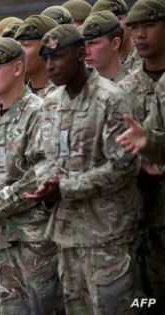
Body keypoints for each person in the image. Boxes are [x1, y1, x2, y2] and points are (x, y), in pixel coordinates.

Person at [25, 24, 139, 314]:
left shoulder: (111, 99)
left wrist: (65, 187)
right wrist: (45, 183)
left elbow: (122, 168)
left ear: (80, 53)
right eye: (46, 58)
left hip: (106, 237)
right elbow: (42, 157)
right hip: (67, 236)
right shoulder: (51, 105)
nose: (50, 66)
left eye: (57, 57)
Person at [0, 37, 62, 315]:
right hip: (3, 238)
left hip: (37, 240)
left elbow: (41, 173)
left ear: (18, 68)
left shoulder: (39, 111)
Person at [115, 1, 165, 312]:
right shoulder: (124, 89)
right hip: (141, 217)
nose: (140, 34)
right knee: (144, 302)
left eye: (149, 25)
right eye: (134, 28)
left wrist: (153, 143)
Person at [91, 0, 143, 71]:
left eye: (117, 19)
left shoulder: (147, 58)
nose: (112, 27)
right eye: (102, 23)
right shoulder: (91, 65)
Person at [14, 15, 58, 98]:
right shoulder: (17, 98)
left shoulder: (66, 93)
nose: (18, 52)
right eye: (17, 46)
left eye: (26, 45)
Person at [81, 11, 130, 82]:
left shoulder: (137, 86)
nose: (86, 52)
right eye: (83, 45)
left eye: (93, 43)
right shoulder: (80, 86)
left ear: (115, 44)